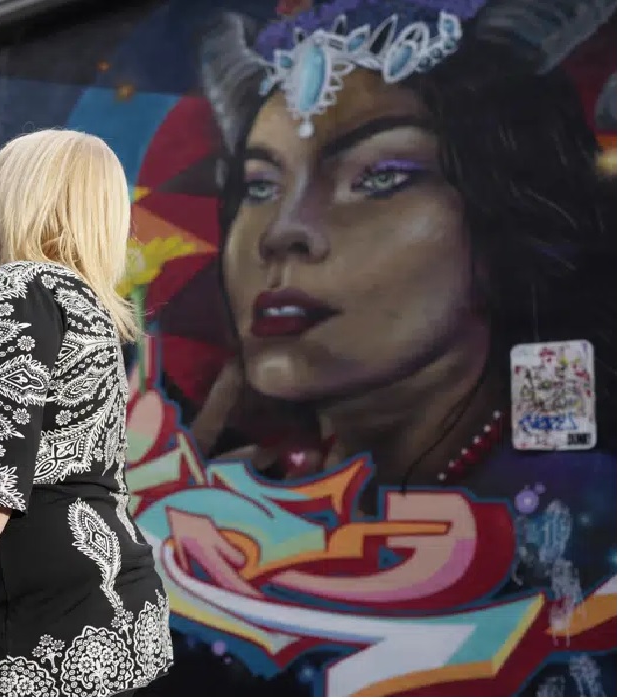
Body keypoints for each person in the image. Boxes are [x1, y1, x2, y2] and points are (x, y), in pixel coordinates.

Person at [141, 0, 616, 695]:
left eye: (380, 176)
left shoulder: (586, 517)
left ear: (502, 213)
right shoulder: (220, 504)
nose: (282, 233)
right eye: (260, 185)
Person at [0, 129, 174, 698]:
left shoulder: (21, 288)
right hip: (111, 619)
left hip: (27, 634)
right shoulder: (82, 301)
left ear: (29, 197)